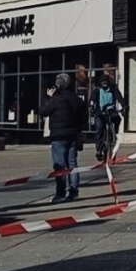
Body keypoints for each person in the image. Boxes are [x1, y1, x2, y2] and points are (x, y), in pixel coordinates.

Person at [41, 72, 91, 202]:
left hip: (58, 136)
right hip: (73, 135)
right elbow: (84, 118)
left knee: (60, 166)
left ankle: (60, 193)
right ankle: (74, 191)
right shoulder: (77, 100)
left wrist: (47, 98)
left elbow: (44, 111)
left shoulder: (56, 99)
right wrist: (79, 129)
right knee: (73, 164)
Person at [90, 66, 122, 172]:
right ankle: (99, 149)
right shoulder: (97, 90)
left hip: (111, 110)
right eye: (103, 82)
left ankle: (114, 133)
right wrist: (91, 107)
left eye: (106, 82)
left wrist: (124, 106)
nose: (104, 84)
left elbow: (119, 97)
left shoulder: (113, 88)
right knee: (99, 128)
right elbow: (92, 99)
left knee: (117, 119)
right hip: (100, 111)